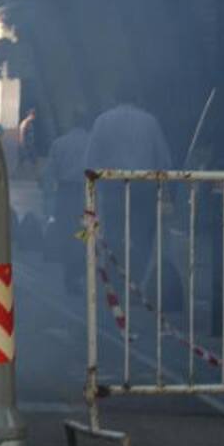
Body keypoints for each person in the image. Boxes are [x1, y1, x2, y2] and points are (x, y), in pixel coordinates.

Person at [84, 82, 172, 284]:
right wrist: (164, 189)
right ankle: (136, 281)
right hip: (144, 188)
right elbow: (164, 160)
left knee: (114, 233)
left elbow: (90, 159)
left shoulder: (102, 121)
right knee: (142, 237)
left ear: (114, 99)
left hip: (113, 187)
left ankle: (115, 275)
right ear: (137, 99)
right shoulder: (150, 121)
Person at [43, 110, 90, 292]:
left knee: (67, 232)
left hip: (65, 192)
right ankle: (79, 269)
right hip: (87, 193)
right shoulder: (92, 141)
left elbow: (50, 173)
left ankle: (70, 274)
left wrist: (48, 197)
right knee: (85, 232)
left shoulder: (59, 143)